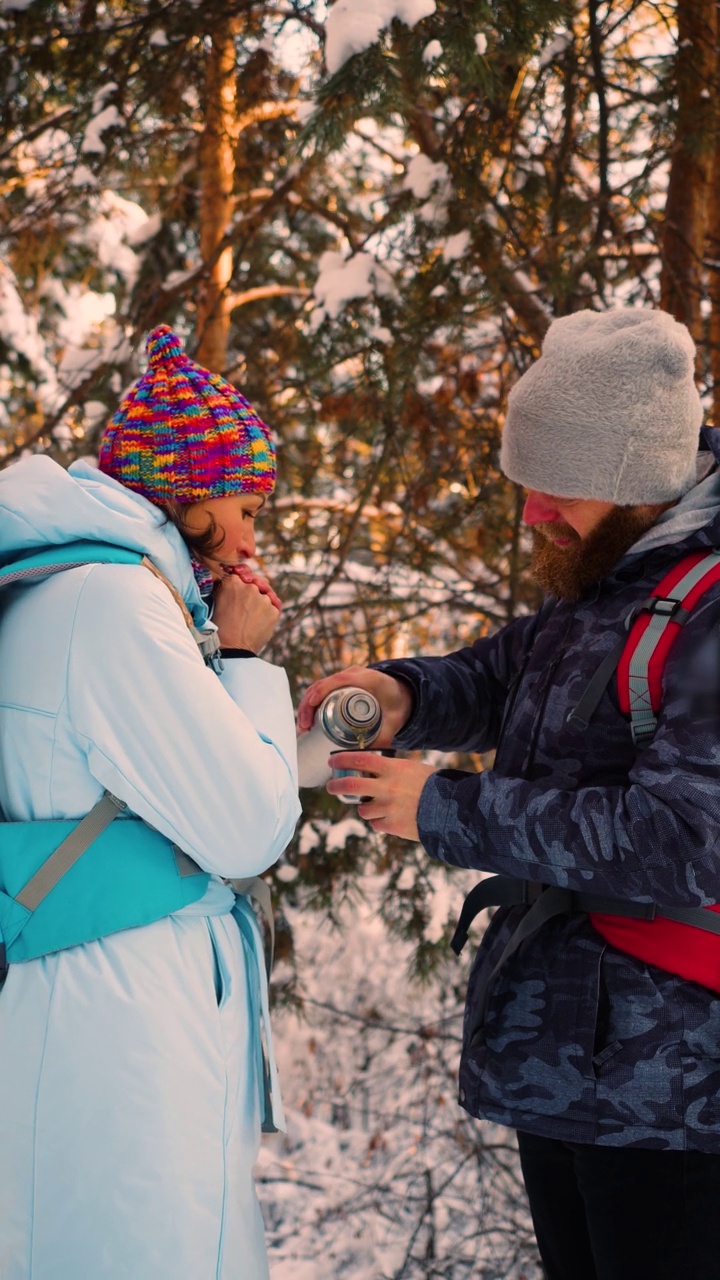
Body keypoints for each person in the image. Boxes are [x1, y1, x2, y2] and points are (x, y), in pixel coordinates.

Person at [298, 308, 720, 1280]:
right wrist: (403, 692)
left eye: (553, 486)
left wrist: (445, 809)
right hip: (572, 1062)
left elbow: (684, 839)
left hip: (676, 1090)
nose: (531, 511)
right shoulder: (616, 573)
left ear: (632, 479)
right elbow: (504, 676)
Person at [0, 325, 301, 1280]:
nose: (252, 533)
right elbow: (247, 826)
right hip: (121, 1005)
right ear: (187, 493)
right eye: (244, 503)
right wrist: (248, 663)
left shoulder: (71, 584)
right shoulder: (113, 605)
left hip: (90, 981)